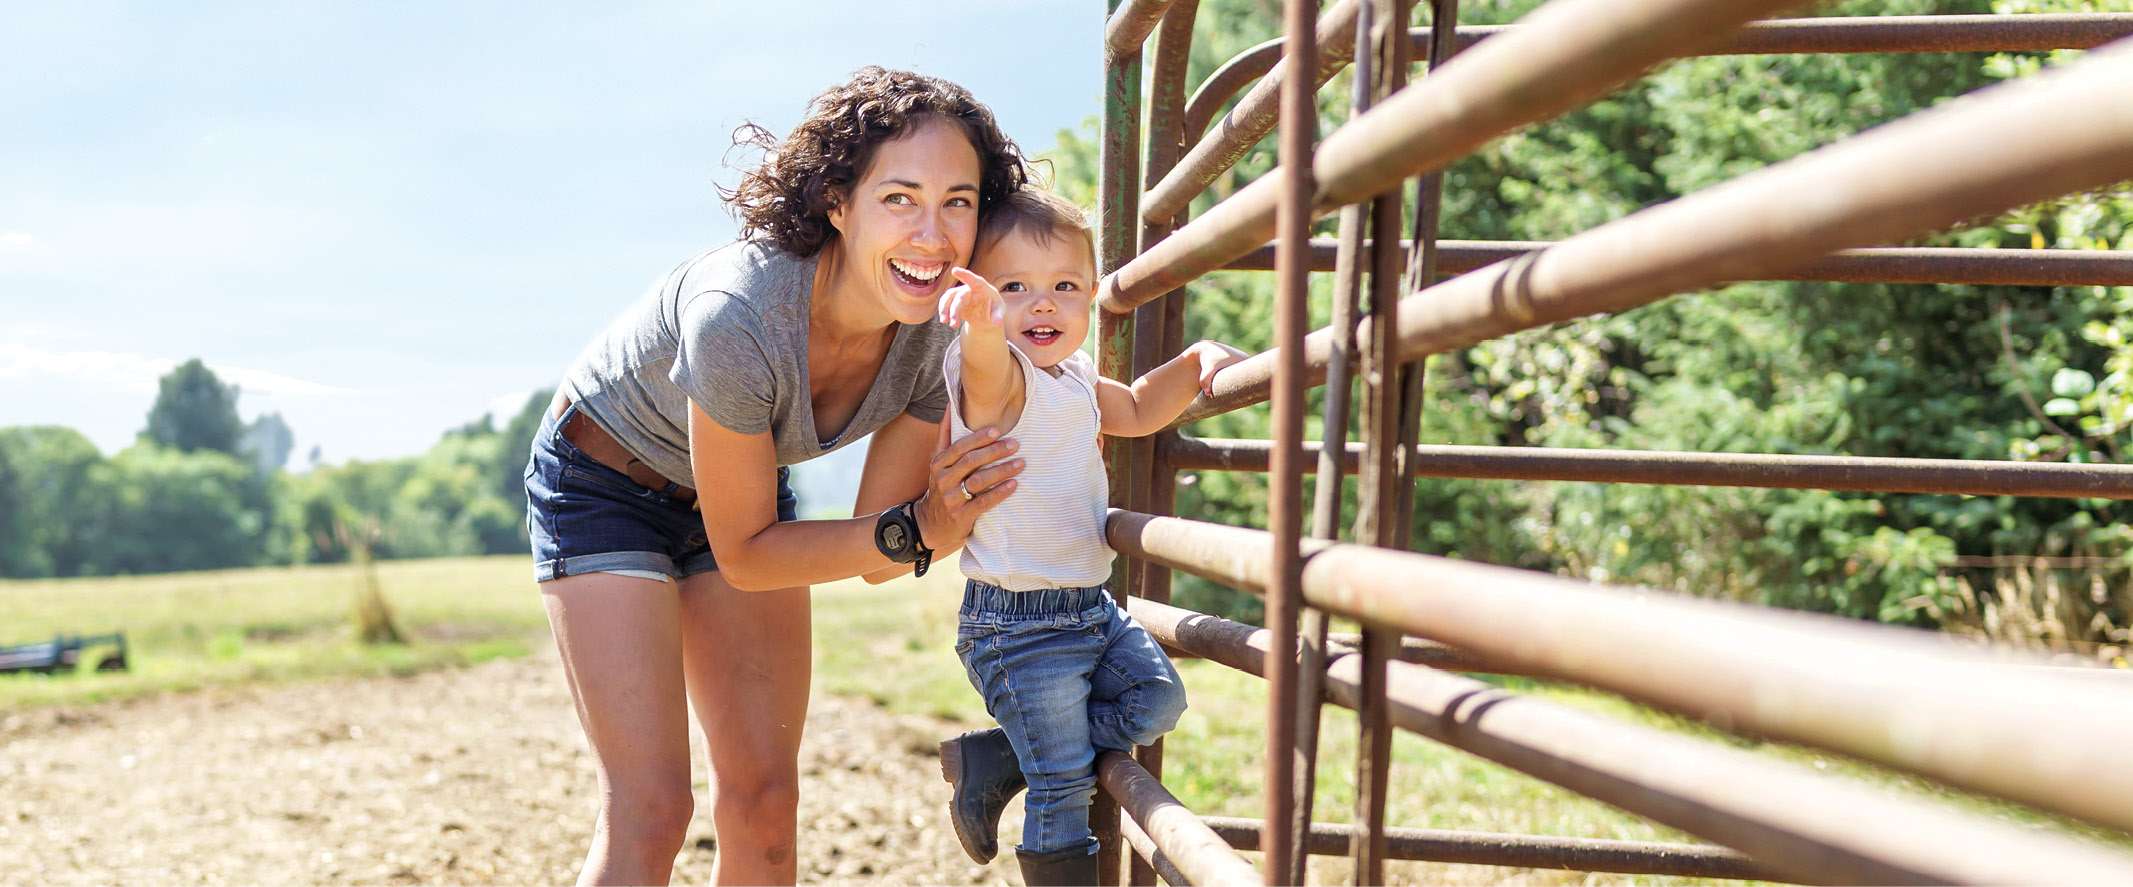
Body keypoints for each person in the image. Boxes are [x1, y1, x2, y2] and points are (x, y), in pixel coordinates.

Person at [524, 67, 1033, 886]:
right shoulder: (741, 315)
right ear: (837, 200)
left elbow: (874, 552)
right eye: (898, 197)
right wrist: (922, 527)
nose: (931, 235)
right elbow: (753, 555)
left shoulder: (938, 341)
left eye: (958, 202)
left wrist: (938, 516)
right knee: (652, 809)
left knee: (765, 805)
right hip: (604, 480)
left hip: (742, 494)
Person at [930, 188, 1248, 885]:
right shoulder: (1000, 375)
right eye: (1013, 286)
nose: (1041, 303)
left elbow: (1135, 407)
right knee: (1065, 787)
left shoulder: (1071, 376)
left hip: (1090, 610)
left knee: (1158, 701)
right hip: (1016, 626)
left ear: (1090, 296)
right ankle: (1038, 773)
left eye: (1064, 286)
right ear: (982, 295)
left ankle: (1003, 756)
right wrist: (982, 325)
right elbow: (985, 370)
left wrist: (1195, 362)